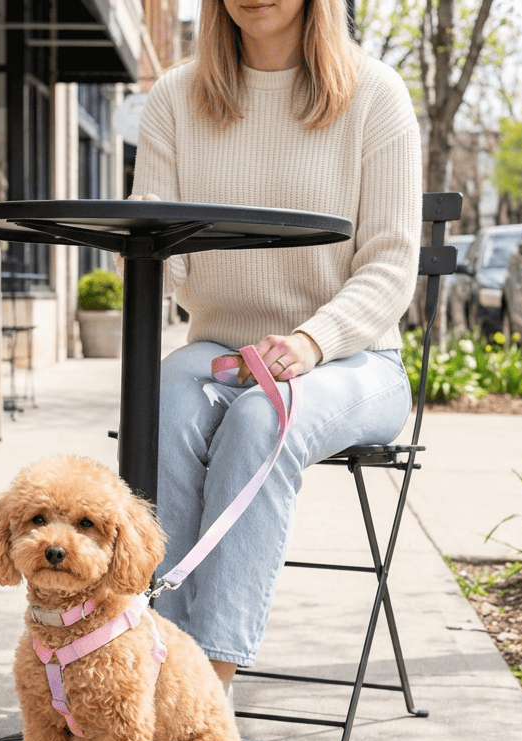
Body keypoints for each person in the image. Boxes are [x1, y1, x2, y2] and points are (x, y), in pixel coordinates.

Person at [129, 0, 422, 695]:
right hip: (219, 346)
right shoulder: (175, 98)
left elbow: (388, 265)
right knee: (161, 403)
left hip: (354, 360)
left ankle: (207, 695)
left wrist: (312, 341)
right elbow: (155, 250)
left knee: (265, 416)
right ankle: (159, 669)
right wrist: (135, 260)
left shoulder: (375, 94)